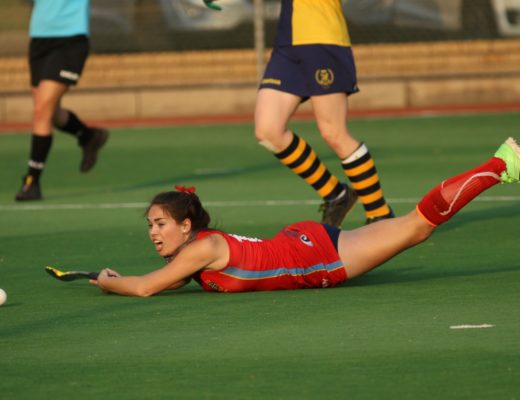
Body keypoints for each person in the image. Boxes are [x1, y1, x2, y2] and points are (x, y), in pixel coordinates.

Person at [92, 138, 520, 297]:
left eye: (160, 224)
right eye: (150, 225)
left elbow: (147, 287)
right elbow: (166, 280)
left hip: (318, 256)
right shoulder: (194, 254)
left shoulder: (200, 249)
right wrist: (121, 280)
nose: (153, 233)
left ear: (186, 226)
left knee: (416, 228)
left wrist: (110, 283)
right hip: (301, 241)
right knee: (406, 228)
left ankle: (501, 164)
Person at [253, 0, 393, 226]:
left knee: (333, 133)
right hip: (287, 44)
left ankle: (380, 215)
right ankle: (337, 195)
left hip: (322, 39)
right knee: (268, 130)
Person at [15, 0, 108, 201]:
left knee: (42, 110)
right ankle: (88, 135)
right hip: (39, 37)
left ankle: (32, 181)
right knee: (50, 113)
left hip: (71, 38)